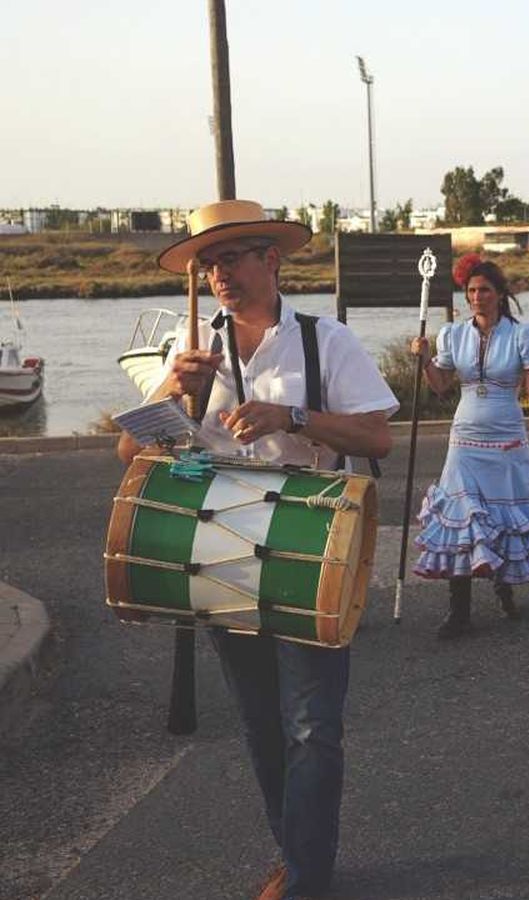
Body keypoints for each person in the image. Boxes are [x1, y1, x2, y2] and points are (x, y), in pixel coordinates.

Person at [117, 200, 397, 900]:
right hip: (220, 554)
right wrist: (177, 392)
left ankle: (306, 876)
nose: (220, 275)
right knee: (263, 725)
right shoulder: (188, 350)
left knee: (313, 727)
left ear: (272, 260)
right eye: (210, 264)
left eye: (233, 258)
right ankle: (298, 853)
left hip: (311, 553)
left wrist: (293, 416)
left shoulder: (323, 341)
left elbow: (378, 439)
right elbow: (129, 452)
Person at [409, 257, 529, 637]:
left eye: (484, 290)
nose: (477, 297)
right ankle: (459, 610)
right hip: (463, 439)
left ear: (500, 295)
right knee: (464, 516)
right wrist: (422, 361)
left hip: (508, 437)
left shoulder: (522, 335)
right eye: (471, 291)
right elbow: (439, 385)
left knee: (501, 518)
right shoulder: (453, 335)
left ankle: (504, 588)